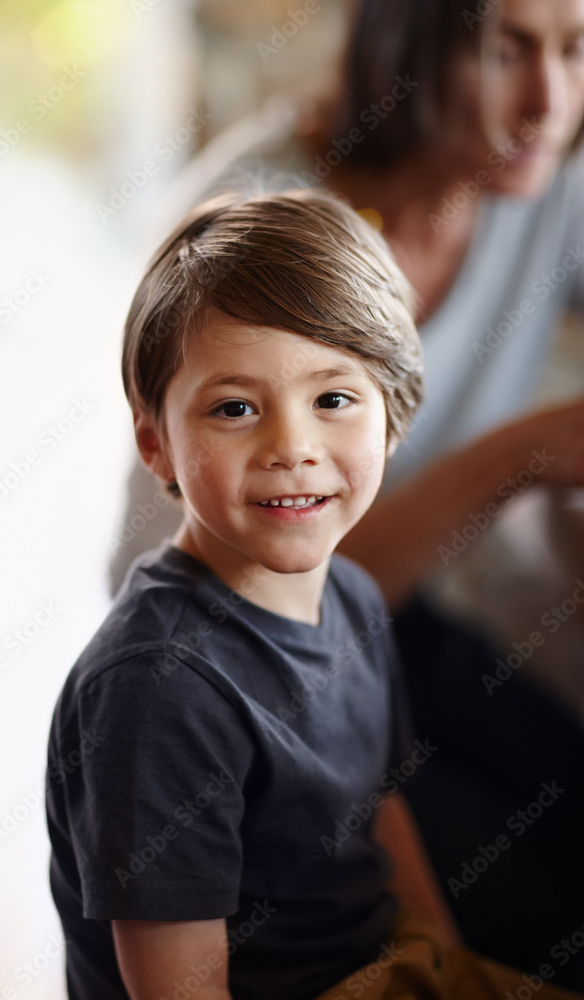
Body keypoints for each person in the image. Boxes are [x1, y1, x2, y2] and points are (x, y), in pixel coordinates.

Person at [108, 0, 584, 981]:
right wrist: (517, 456)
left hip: (382, 613)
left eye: (576, 50)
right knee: (524, 905)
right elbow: (231, 576)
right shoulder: (253, 221)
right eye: (505, 49)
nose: (550, 100)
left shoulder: (549, 194)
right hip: (239, 643)